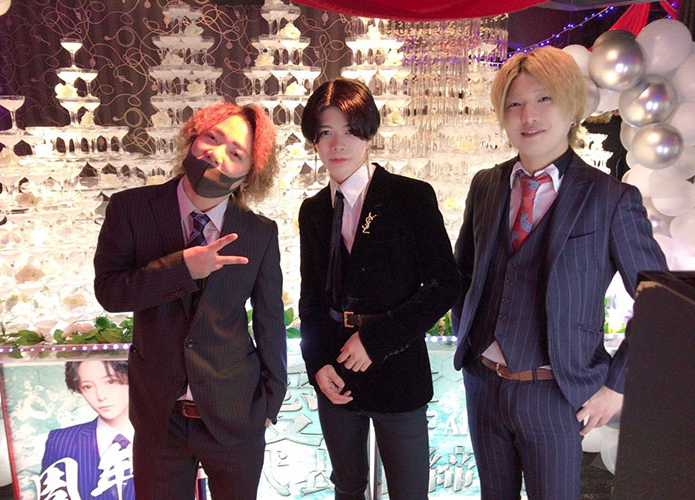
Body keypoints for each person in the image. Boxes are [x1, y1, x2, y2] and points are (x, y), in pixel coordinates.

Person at [451, 46, 667, 500]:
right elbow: (463, 274)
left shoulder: (610, 198)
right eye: (514, 103)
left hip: (555, 395)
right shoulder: (486, 184)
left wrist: (617, 386)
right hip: (483, 384)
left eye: (543, 99)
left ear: (571, 108)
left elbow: (660, 303)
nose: (527, 115)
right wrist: (468, 345)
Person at [94, 102, 288, 500]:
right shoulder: (131, 209)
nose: (216, 154)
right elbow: (110, 292)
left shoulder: (259, 232)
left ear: (249, 175)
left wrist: (270, 402)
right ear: (192, 137)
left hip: (236, 413)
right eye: (211, 137)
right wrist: (182, 268)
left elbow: (270, 320)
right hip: (158, 417)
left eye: (236, 153)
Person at [298, 77, 460, 500]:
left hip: (398, 366)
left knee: (409, 491)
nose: (337, 144)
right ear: (314, 140)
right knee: (347, 487)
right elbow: (311, 298)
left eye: (350, 131)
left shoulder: (409, 196)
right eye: (326, 132)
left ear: (369, 133)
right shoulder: (313, 211)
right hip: (335, 371)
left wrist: (376, 341)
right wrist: (317, 363)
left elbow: (445, 284)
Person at [40, 361, 134, 500]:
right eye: (88, 386)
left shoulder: (163, 437)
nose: (100, 396)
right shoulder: (60, 441)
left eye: (110, 381)